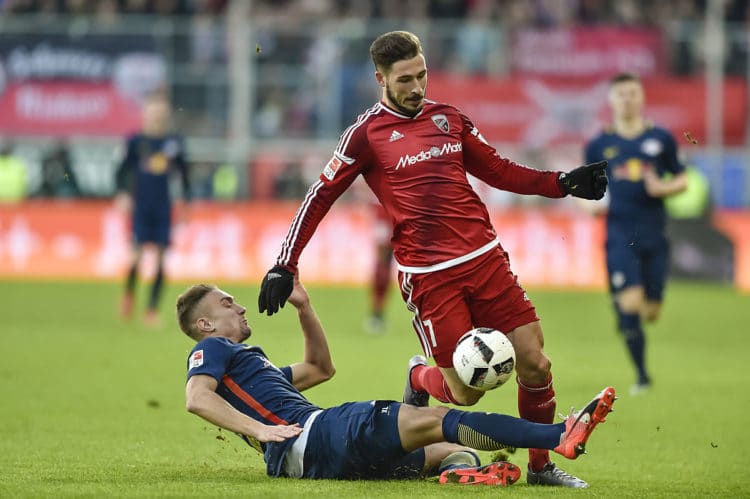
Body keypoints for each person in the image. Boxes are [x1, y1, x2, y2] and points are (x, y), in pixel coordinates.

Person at [257, 31, 607, 487]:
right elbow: (319, 196)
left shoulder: (449, 118)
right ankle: (419, 376)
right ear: (380, 78)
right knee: (464, 393)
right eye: (405, 79)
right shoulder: (365, 135)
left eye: (422, 74)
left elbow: (498, 169)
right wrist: (285, 264)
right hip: (430, 278)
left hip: (486, 260)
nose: (417, 86)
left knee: (535, 363)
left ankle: (540, 467)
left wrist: (560, 182)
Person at [178, 277, 617, 486]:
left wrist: (304, 308)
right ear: (205, 323)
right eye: (226, 303)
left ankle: (461, 474)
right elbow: (196, 398)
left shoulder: (253, 371)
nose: (239, 307)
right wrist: (261, 430)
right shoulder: (215, 350)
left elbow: (320, 368)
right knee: (439, 418)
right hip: (320, 435)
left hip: (321, 457)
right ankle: (559, 434)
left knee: (447, 447)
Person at [584, 72, 687, 395]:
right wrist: (590, 206)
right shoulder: (599, 145)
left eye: (632, 93)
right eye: (621, 94)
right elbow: (586, 191)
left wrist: (663, 187)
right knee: (631, 304)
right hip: (619, 234)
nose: (627, 99)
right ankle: (642, 376)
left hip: (655, 235)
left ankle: (627, 315)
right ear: (612, 101)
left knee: (651, 311)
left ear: (641, 98)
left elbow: (682, 179)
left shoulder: (661, 139)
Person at [115, 90, 191, 327]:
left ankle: (151, 310)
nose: (158, 113)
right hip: (141, 206)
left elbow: (184, 173)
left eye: (161, 109)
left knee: (160, 259)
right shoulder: (135, 141)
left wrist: (186, 202)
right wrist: (123, 193)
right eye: (153, 108)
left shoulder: (173, 142)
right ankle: (129, 294)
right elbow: (121, 170)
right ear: (146, 112)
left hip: (163, 206)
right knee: (136, 256)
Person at [365, 202, 394, 334]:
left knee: (385, 266)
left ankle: (377, 314)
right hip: (385, 208)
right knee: (383, 265)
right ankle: (376, 314)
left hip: (400, 208)